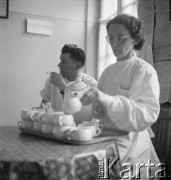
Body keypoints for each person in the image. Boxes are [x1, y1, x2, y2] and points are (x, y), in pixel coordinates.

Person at [81, 14, 160, 178]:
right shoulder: (108, 71)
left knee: (96, 172)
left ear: (135, 39)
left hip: (130, 142)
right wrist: (93, 104)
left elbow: (144, 114)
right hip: (104, 137)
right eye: (110, 38)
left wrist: (106, 100)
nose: (114, 43)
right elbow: (99, 112)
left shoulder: (143, 71)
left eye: (120, 38)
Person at [40, 44, 97, 111]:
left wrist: (63, 88)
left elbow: (82, 114)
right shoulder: (52, 81)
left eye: (64, 62)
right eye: (60, 61)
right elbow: (43, 108)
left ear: (78, 65)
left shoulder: (91, 85)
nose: (59, 65)